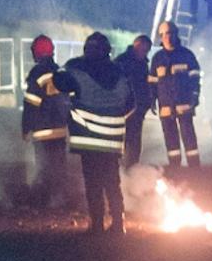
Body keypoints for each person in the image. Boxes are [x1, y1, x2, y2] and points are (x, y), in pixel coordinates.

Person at [57, 33, 134, 234]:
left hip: (89, 138)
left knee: (93, 182)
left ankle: (97, 225)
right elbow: (131, 103)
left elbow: (59, 82)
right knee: (112, 183)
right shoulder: (120, 71)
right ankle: (119, 224)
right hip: (113, 140)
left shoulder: (76, 67)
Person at [21, 35, 72, 210]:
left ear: (36, 53)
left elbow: (31, 103)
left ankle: (43, 201)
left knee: (43, 166)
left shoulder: (37, 73)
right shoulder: (60, 72)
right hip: (59, 130)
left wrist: (25, 127)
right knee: (59, 166)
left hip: (42, 130)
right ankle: (60, 200)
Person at [151, 21, 204, 167]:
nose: (167, 37)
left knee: (189, 139)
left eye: (170, 33)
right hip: (165, 106)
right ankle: (175, 169)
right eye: (164, 34)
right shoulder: (157, 58)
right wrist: (152, 100)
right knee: (171, 140)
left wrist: (194, 96)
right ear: (160, 37)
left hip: (184, 104)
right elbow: (153, 82)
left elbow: (195, 79)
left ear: (176, 34)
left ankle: (195, 170)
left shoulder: (187, 55)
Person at [117, 34, 153, 167]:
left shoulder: (142, 64)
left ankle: (132, 169)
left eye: (147, 51)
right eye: (143, 50)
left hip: (138, 110)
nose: (144, 53)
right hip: (124, 109)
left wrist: (146, 104)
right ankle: (120, 168)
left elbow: (145, 85)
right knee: (123, 140)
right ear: (136, 46)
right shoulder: (122, 62)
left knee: (134, 141)